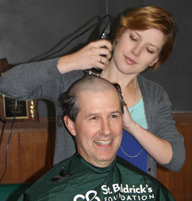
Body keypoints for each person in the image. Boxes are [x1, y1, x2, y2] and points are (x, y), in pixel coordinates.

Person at [0, 76, 191, 201]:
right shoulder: (44, 199)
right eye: (94, 118)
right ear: (71, 125)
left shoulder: (151, 190)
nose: (106, 130)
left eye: (113, 116)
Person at [0, 6, 185, 178]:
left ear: (155, 60)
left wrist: (132, 126)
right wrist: (71, 61)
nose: (136, 52)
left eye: (149, 49)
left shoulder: (155, 95)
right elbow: (8, 85)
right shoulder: (71, 80)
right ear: (119, 34)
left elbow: (175, 159)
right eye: (134, 38)